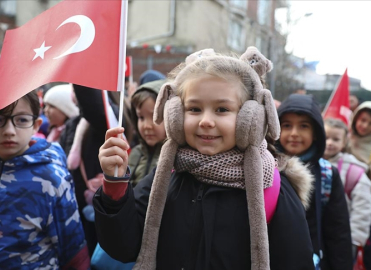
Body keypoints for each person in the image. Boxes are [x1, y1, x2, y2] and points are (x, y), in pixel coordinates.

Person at [93, 47, 315, 269]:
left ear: (251, 117)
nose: (205, 121)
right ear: (176, 114)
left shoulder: (273, 189)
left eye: (221, 109)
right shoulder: (166, 176)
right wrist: (115, 185)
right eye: (194, 109)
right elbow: (123, 247)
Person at [0, 74, 89, 269]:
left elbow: (73, 248)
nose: (9, 130)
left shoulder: (51, 180)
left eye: (21, 120)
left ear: (36, 125)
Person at [277, 94, 352, 270]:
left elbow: (338, 232)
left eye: (304, 126)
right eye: (286, 125)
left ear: (316, 133)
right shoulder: (263, 169)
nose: (294, 133)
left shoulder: (328, 174)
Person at [323, 118, 371, 258]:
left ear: (344, 142)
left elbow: (362, 210)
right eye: (326, 137)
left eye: (336, 139)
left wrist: (354, 241)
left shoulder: (353, 172)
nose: (330, 142)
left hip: (342, 240)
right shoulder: (307, 163)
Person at [128, 79, 167, 186]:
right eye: (141, 117)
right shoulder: (135, 153)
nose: (146, 126)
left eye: (155, 117)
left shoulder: (176, 158)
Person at [347, 101, 371, 176]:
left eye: (370, 124)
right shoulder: (343, 138)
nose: (365, 126)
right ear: (355, 118)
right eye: (363, 120)